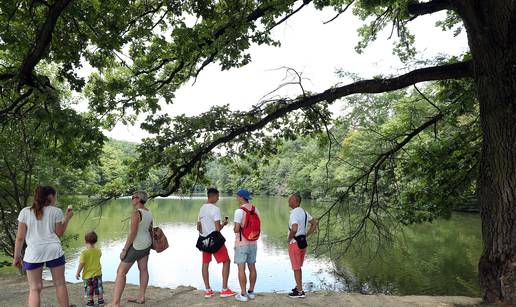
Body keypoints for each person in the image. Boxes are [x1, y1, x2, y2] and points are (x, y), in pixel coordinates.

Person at [12, 186, 74, 307]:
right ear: (50, 197)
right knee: (60, 284)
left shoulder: (25, 212)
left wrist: (16, 256)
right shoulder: (56, 211)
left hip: (33, 252)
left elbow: (20, 238)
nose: (55, 199)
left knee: (35, 288)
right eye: (55, 196)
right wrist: (67, 218)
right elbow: (59, 233)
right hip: (54, 250)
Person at [109, 191, 153, 306]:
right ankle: (141, 297)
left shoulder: (136, 213)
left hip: (136, 246)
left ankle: (115, 303)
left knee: (121, 272)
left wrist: (124, 250)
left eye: (135, 197)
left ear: (139, 199)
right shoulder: (148, 212)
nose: (132, 198)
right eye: (132, 197)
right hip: (147, 244)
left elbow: (133, 234)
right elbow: (149, 228)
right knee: (143, 269)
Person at [197, 188, 236, 298]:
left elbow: (198, 227)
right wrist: (224, 224)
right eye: (217, 196)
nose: (218, 198)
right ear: (212, 196)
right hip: (214, 240)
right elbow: (218, 228)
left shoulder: (201, 208)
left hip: (204, 240)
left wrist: (205, 232)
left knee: (205, 264)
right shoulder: (215, 209)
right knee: (227, 261)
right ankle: (224, 289)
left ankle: (208, 290)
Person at [287, 192, 318, 298]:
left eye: (290, 199)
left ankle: (300, 292)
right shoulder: (304, 212)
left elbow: (294, 228)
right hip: (303, 243)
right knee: (298, 267)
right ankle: (298, 286)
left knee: (296, 268)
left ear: (295, 201)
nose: (288, 200)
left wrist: (289, 238)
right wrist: (306, 234)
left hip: (295, 243)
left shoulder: (294, 213)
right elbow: (314, 223)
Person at [233, 189, 260, 302]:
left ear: (241, 197)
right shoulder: (255, 209)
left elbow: (236, 229)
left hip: (242, 243)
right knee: (252, 267)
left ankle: (243, 294)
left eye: (237, 196)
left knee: (241, 269)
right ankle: (251, 292)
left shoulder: (239, 211)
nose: (236, 198)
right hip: (253, 242)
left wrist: (234, 228)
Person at [75, 231, 104, 306]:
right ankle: (100, 300)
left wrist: (78, 272)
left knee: (89, 288)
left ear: (85, 241)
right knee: (99, 287)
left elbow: (81, 263)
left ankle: (91, 301)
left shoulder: (84, 253)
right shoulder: (98, 250)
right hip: (97, 273)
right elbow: (99, 256)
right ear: (96, 241)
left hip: (87, 275)